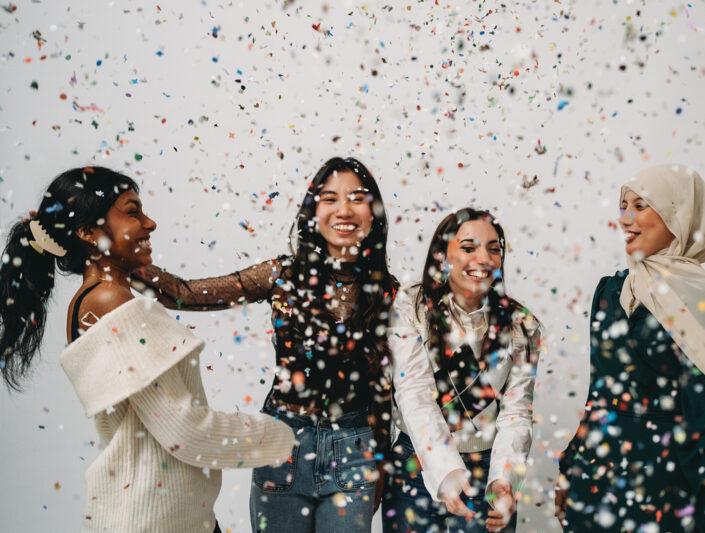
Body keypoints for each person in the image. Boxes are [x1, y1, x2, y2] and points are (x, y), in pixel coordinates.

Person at [0, 166, 295, 533]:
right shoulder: (112, 302)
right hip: (151, 522)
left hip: (171, 517)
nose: (150, 223)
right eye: (132, 211)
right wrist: (287, 437)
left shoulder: (96, 298)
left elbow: (178, 292)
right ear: (89, 233)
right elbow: (187, 431)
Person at [132, 157, 397, 532]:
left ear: (374, 214)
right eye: (329, 198)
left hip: (354, 452)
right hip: (282, 445)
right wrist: (114, 258)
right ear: (312, 212)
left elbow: (385, 388)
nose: (344, 210)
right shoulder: (281, 276)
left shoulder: (389, 293)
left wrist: (381, 461)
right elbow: (183, 294)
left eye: (357, 198)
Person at [555, 164, 705, 532]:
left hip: (669, 492)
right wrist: (570, 466)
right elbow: (600, 394)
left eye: (640, 205)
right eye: (623, 206)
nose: (625, 219)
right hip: (597, 487)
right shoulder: (609, 292)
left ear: (677, 215)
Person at [383, 207, 542, 533]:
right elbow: (413, 392)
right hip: (416, 465)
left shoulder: (521, 326)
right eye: (469, 248)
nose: (483, 258)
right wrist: (446, 472)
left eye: (494, 249)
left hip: (488, 467)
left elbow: (516, 413)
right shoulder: (410, 307)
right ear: (443, 254)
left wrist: (504, 481)